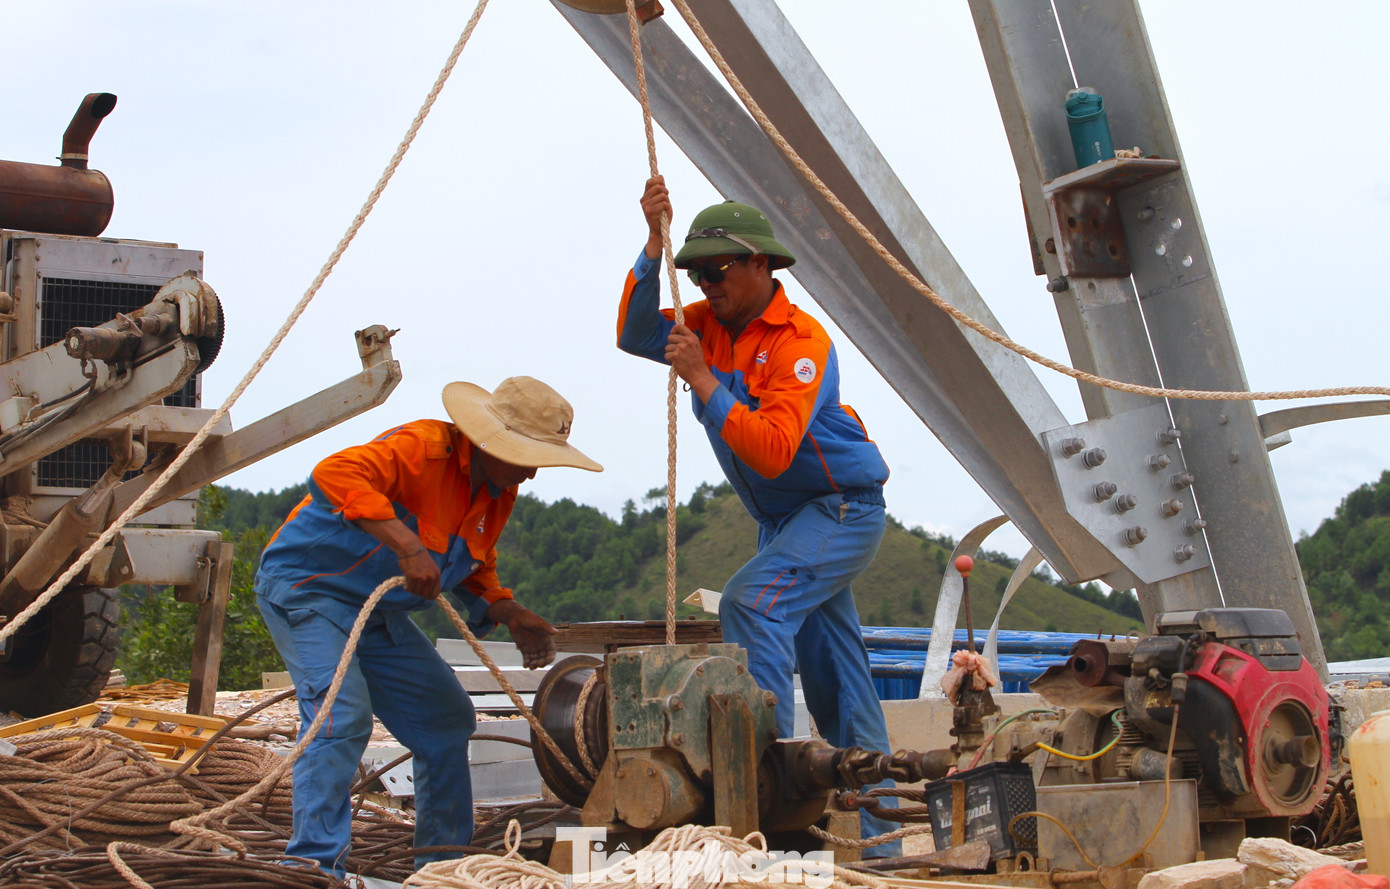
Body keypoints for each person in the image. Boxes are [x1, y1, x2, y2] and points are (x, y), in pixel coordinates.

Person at [616, 176, 901, 856]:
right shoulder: (705, 327)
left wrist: (705, 381)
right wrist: (654, 245)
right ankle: (887, 850)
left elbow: (773, 451)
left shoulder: (802, 344)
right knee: (838, 681)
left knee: (754, 604)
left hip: (839, 510)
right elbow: (631, 332)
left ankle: (768, 802)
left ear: (759, 265)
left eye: (716, 270)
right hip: (787, 522)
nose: (705, 284)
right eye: (696, 273)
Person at [255, 376, 602, 877]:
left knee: (446, 720)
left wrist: (506, 610)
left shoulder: (498, 493)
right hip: (310, 591)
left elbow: (473, 566)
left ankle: (442, 868)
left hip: (379, 612)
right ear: (488, 441)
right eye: (526, 456)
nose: (530, 473)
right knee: (341, 719)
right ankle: (313, 868)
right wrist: (408, 546)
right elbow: (334, 474)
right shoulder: (421, 448)